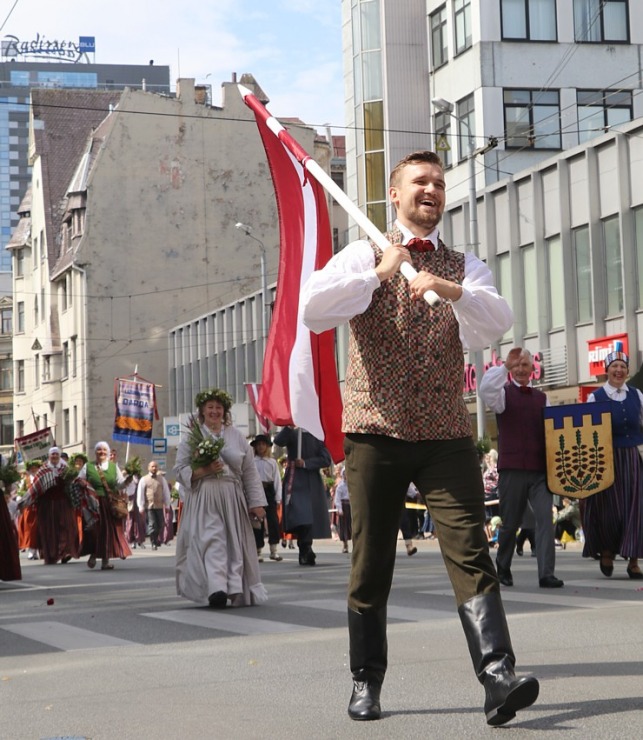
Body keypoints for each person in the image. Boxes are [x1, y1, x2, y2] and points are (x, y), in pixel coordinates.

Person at [301, 150, 538, 726]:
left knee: (469, 549)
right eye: (419, 182)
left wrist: (448, 288)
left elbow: (497, 320)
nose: (430, 190)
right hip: (375, 429)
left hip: (444, 432)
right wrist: (379, 273)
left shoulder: (463, 263)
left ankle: (497, 675)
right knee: (371, 559)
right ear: (395, 194)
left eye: (438, 182)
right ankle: (366, 680)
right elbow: (313, 309)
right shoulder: (363, 251)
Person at [173, 388, 268, 607]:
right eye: (210, 407)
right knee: (212, 539)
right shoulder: (192, 437)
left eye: (219, 407)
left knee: (232, 543)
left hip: (231, 496)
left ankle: (233, 587)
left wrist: (256, 503)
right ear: (202, 411)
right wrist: (203, 470)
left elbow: (250, 471)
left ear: (224, 411)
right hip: (205, 495)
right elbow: (179, 469)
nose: (214, 411)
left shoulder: (236, 436)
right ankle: (216, 588)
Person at [479, 347, 563, 589]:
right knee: (510, 522)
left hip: (539, 470)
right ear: (511, 370)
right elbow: (485, 389)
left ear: (532, 369)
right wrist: (504, 366)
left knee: (545, 519)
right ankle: (503, 565)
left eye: (525, 365)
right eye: (517, 366)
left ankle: (546, 573)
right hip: (513, 469)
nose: (521, 369)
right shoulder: (502, 395)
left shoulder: (542, 398)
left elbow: (552, 432)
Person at [583, 351, 643, 579]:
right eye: (614, 366)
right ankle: (606, 550)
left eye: (623, 366)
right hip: (606, 458)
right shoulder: (595, 397)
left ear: (627, 371)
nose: (619, 370)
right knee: (609, 509)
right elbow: (587, 430)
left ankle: (634, 561)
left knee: (636, 508)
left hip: (634, 457)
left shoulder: (637, 395)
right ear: (606, 370)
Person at [273, 426, 332, 566]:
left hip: (312, 481)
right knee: (301, 515)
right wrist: (288, 426)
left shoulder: (317, 436)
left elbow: (326, 459)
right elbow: (278, 441)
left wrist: (306, 463)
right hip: (295, 480)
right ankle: (304, 548)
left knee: (309, 518)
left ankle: (306, 548)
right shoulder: (293, 433)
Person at [78, 441, 132, 570]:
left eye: (104, 450)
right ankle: (93, 553)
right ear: (95, 452)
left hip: (109, 504)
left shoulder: (113, 467)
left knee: (108, 532)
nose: (101, 452)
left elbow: (119, 484)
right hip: (93, 503)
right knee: (95, 531)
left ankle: (105, 561)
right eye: (99, 450)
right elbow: (79, 479)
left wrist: (127, 481)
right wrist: (85, 485)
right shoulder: (88, 466)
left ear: (107, 453)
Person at [27, 447, 80, 565]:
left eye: (56, 454)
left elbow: (74, 483)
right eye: (52, 454)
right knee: (49, 529)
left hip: (63, 503)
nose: (54, 456)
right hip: (47, 503)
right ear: (49, 456)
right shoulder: (43, 470)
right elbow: (35, 486)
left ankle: (65, 552)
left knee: (66, 526)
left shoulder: (66, 469)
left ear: (59, 456)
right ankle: (51, 554)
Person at [250, 434, 283, 562]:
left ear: (267, 447)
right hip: (257, 490)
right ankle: (258, 550)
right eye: (258, 445)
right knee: (257, 522)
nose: (261, 447)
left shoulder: (272, 462)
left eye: (263, 444)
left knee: (273, 521)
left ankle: (273, 549)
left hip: (269, 491)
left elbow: (277, 480)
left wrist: (278, 498)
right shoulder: (252, 462)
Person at [137, 461, 172, 550]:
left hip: (159, 506)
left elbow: (166, 493)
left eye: (155, 466)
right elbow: (140, 493)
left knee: (160, 524)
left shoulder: (162, 479)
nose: (154, 468)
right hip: (149, 506)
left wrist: (167, 505)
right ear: (149, 467)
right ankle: (153, 542)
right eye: (152, 466)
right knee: (152, 524)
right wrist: (140, 506)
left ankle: (156, 539)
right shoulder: (144, 479)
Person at [334, 466, 352, 554]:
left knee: (353, 526)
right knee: (344, 526)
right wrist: (339, 509)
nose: (346, 476)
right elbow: (337, 499)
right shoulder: (340, 486)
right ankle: (345, 545)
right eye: (344, 474)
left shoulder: (353, 485)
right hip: (344, 506)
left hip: (351, 506)